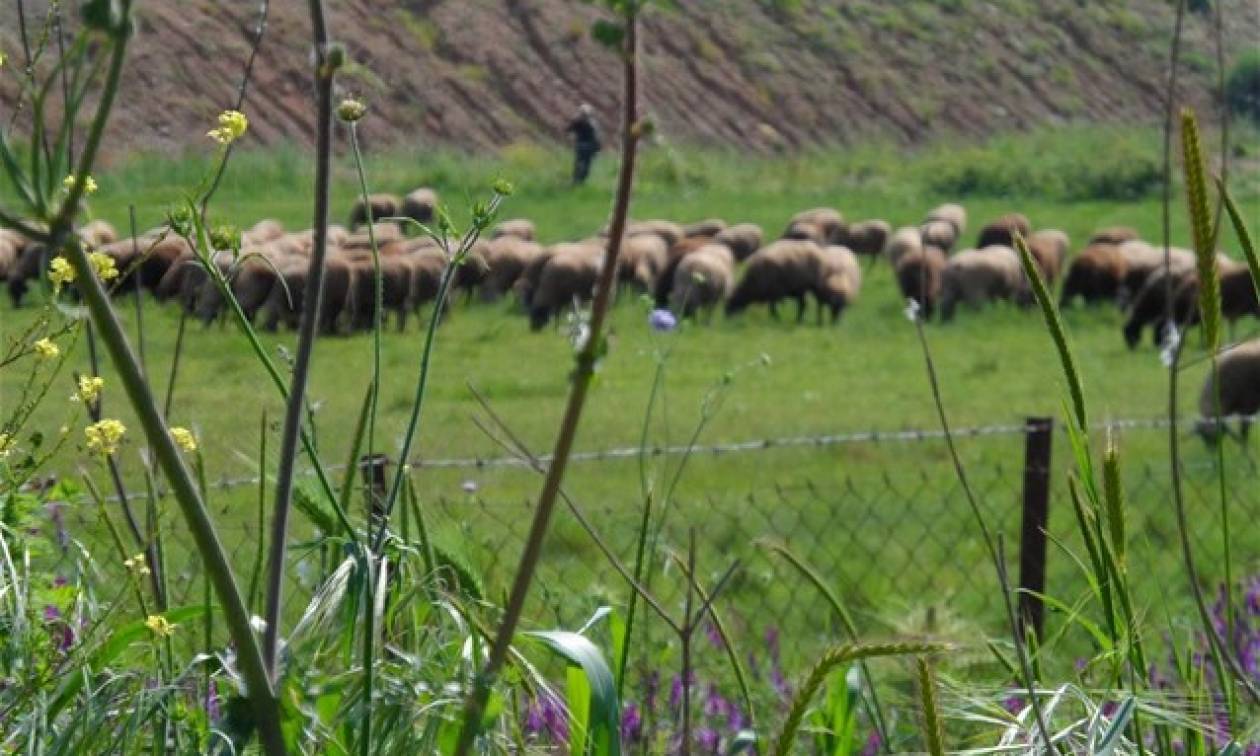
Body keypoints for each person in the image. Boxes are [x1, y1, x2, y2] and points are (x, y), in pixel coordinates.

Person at [565, 104, 601, 185]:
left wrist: (570, 138)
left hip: (580, 145)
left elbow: (568, 130)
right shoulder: (593, 123)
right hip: (588, 146)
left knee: (579, 163)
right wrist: (598, 149)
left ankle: (576, 180)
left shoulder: (577, 121)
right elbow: (597, 137)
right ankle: (580, 180)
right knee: (586, 164)